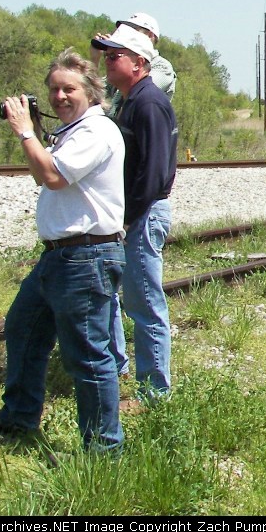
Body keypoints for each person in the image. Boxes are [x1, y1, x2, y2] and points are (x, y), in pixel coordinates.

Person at [0, 49, 126, 451]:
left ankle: (103, 451)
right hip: (59, 257)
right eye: (53, 89)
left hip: (85, 257)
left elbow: (52, 176)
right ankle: (19, 418)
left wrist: (25, 131)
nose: (59, 97)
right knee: (23, 329)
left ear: (91, 92)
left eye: (68, 89)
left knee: (88, 357)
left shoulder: (96, 132)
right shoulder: (73, 131)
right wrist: (35, 133)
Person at [92, 25, 178, 402]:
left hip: (143, 216)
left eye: (115, 56)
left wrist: (128, 219)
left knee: (144, 305)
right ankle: (119, 370)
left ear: (139, 63)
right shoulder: (131, 99)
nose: (108, 63)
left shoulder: (148, 102)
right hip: (132, 215)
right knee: (116, 296)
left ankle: (154, 394)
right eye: (107, 56)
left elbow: (154, 172)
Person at [91, 12, 176, 117]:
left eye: (132, 30)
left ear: (150, 36)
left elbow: (138, 92)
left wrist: (119, 55)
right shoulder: (122, 70)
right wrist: (96, 60)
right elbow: (95, 94)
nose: (124, 34)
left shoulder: (162, 67)